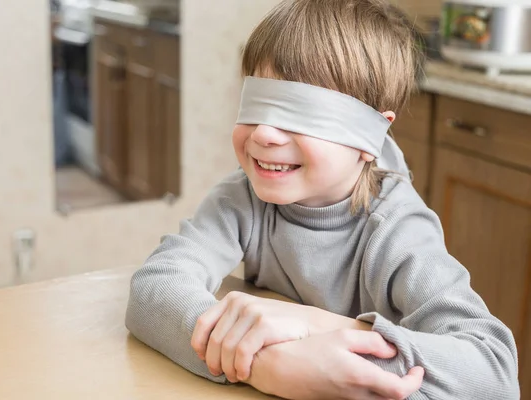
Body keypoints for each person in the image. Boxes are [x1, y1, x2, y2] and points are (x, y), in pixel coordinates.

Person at [125, 0, 520, 399]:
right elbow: (154, 288)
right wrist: (266, 365)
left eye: (301, 112)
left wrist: (316, 325)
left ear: (370, 137)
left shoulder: (399, 231)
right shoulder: (242, 199)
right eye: (256, 103)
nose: (264, 133)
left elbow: (494, 370)